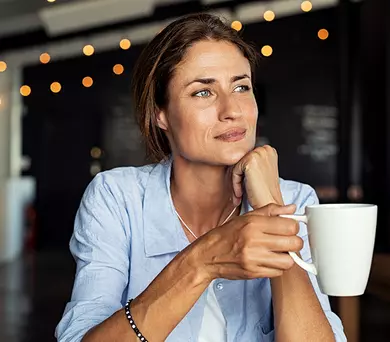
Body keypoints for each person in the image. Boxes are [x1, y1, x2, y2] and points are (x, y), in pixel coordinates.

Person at [56, 13, 346, 342]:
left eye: (241, 87)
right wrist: (203, 260)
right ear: (159, 113)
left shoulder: (296, 201)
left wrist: (270, 204)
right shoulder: (116, 198)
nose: (232, 110)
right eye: (203, 93)